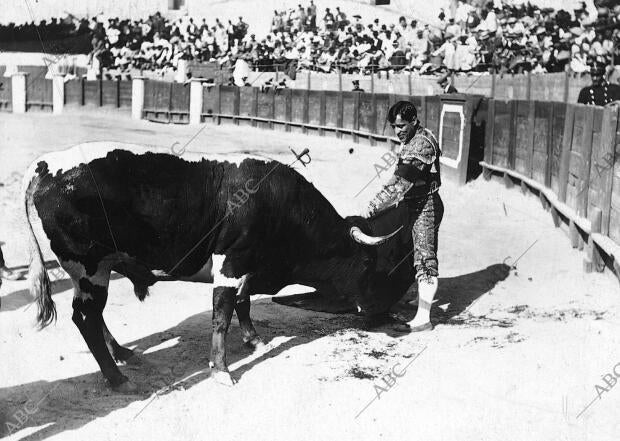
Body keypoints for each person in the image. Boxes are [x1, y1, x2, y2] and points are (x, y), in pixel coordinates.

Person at [364, 101, 444, 332]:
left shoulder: (422, 144)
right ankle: (418, 298)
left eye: (402, 126)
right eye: (394, 127)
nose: (398, 131)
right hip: (411, 204)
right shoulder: (412, 139)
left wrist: (375, 205)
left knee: (425, 258)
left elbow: (401, 182)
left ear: (414, 121)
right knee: (408, 250)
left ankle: (424, 318)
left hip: (425, 206)